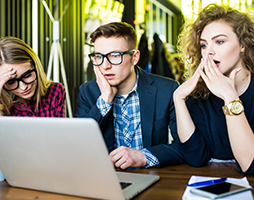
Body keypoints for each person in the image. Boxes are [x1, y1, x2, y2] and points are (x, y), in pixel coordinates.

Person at [174, 4, 254, 175]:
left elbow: (251, 164)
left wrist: (230, 96)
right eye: (203, 45)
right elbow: (196, 157)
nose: (208, 52)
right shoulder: (199, 94)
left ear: (243, 45)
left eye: (219, 42)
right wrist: (178, 98)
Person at [75, 22, 185, 169]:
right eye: (99, 56)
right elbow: (78, 147)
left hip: (152, 178)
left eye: (114, 55)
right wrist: (105, 100)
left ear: (134, 57)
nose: (105, 66)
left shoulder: (166, 89)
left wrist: (145, 156)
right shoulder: (88, 92)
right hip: (107, 179)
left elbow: (186, 148)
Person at [0, 36, 66, 176]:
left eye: (28, 75)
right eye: (11, 82)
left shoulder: (55, 91)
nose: (23, 87)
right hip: (6, 176)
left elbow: (60, 146)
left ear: (35, 66)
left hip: (47, 172)